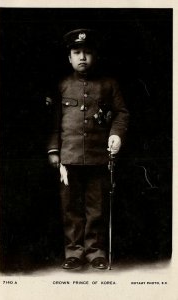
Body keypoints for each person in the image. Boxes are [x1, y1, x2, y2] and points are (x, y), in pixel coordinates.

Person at [47, 28, 129, 270]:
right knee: (70, 209)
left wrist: (116, 134)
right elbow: (53, 121)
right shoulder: (62, 85)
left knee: (97, 206)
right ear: (69, 58)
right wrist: (54, 150)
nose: (83, 57)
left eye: (88, 52)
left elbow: (121, 113)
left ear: (96, 56)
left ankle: (96, 252)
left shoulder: (108, 84)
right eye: (77, 52)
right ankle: (73, 252)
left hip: (98, 157)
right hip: (69, 158)